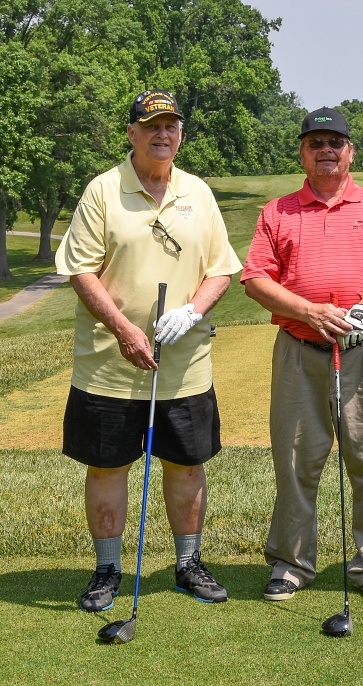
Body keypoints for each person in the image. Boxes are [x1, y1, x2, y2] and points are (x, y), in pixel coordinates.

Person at [55, 89, 241, 611]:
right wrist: (124, 330)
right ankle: (107, 569)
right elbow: (80, 270)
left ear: (180, 134)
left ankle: (187, 563)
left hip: (185, 367)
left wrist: (192, 311)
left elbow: (222, 268)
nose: (163, 134)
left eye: (171, 126)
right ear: (132, 133)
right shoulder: (103, 191)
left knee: (187, 465)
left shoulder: (197, 192)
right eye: (152, 125)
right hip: (108, 367)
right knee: (108, 467)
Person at [241, 107, 363, 603]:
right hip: (300, 351)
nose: (326, 150)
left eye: (334, 142)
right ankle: (291, 564)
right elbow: (256, 278)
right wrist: (310, 311)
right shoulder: (277, 212)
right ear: (302, 152)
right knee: (296, 460)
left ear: (350, 152)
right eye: (315, 142)